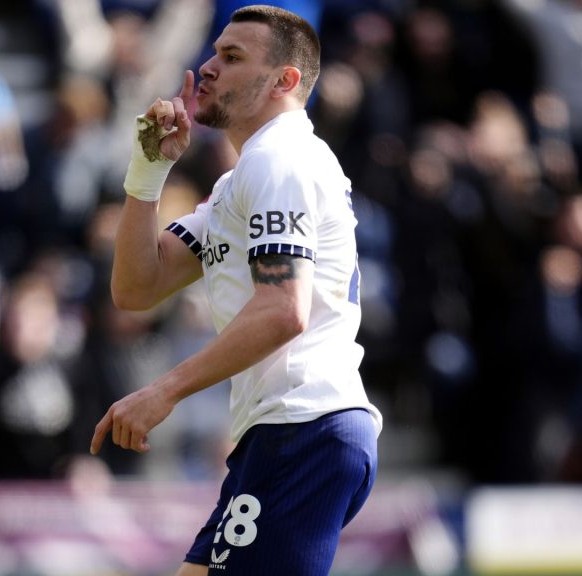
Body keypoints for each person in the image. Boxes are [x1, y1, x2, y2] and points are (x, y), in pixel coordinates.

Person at [89, 6, 382, 574]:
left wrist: (164, 391)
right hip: (290, 433)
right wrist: (147, 171)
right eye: (214, 52)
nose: (208, 67)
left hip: (303, 427)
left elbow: (282, 311)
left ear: (285, 81)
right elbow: (136, 287)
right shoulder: (240, 181)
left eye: (232, 56)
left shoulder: (281, 161)